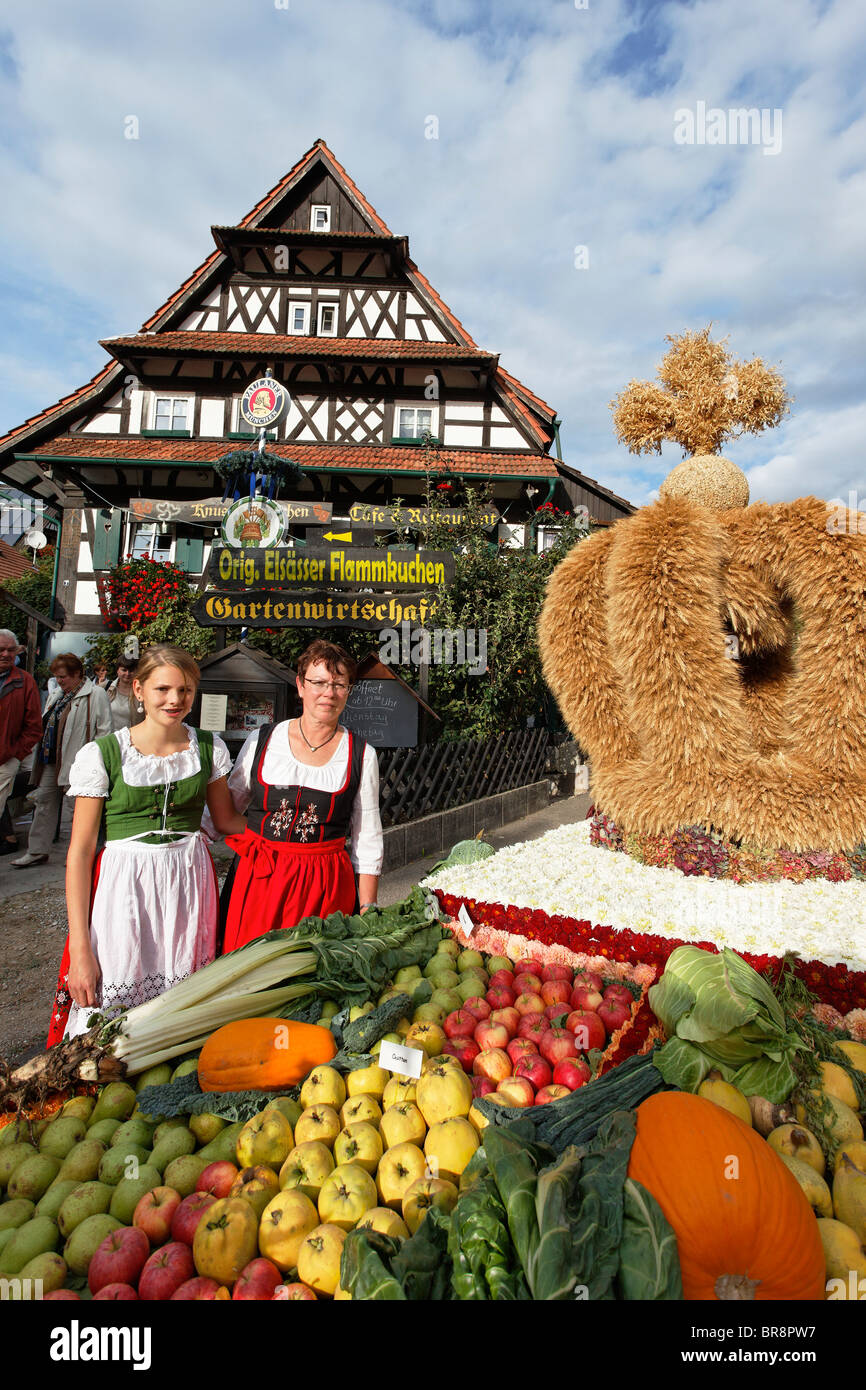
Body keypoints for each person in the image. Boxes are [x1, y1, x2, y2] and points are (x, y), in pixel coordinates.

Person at [47, 643, 245, 1044]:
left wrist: (288, 834)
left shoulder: (209, 748)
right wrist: (81, 948)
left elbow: (226, 821)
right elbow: (80, 853)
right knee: (118, 998)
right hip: (125, 887)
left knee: (181, 1005)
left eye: (186, 690)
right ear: (138, 690)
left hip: (188, 885)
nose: (175, 700)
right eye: (163, 690)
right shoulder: (104, 754)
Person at [216, 639, 383, 952]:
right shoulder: (262, 741)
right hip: (259, 883)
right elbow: (225, 812)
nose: (328, 693)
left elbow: (368, 838)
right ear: (300, 686)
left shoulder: (361, 754)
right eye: (318, 682)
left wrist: (367, 908)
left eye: (339, 684)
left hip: (324, 887)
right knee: (247, 976)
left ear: (348, 691)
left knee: (313, 981)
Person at [12, 653, 113, 868]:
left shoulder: (95, 695)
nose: (59, 681)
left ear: (77, 674)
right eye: (57, 677)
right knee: (43, 803)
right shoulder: (57, 694)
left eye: (63, 676)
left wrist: (93, 761)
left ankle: (79, 855)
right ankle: (37, 850)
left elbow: (104, 731)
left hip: (78, 762)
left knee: (76, 810)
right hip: (51, 761)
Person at [0, 629, 43, 856]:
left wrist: (15, 754)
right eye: (1, 649)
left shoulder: (24, 682)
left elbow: (34, 726)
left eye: (10, 650)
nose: (6, 654)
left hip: (5, 761)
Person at [106, 655, 144, 731]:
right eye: (124, 670)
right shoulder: (106, 688)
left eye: (131, 670)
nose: (128, 673)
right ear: (117, 670)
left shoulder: (142, 691)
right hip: (110, 739)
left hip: (134, 739)